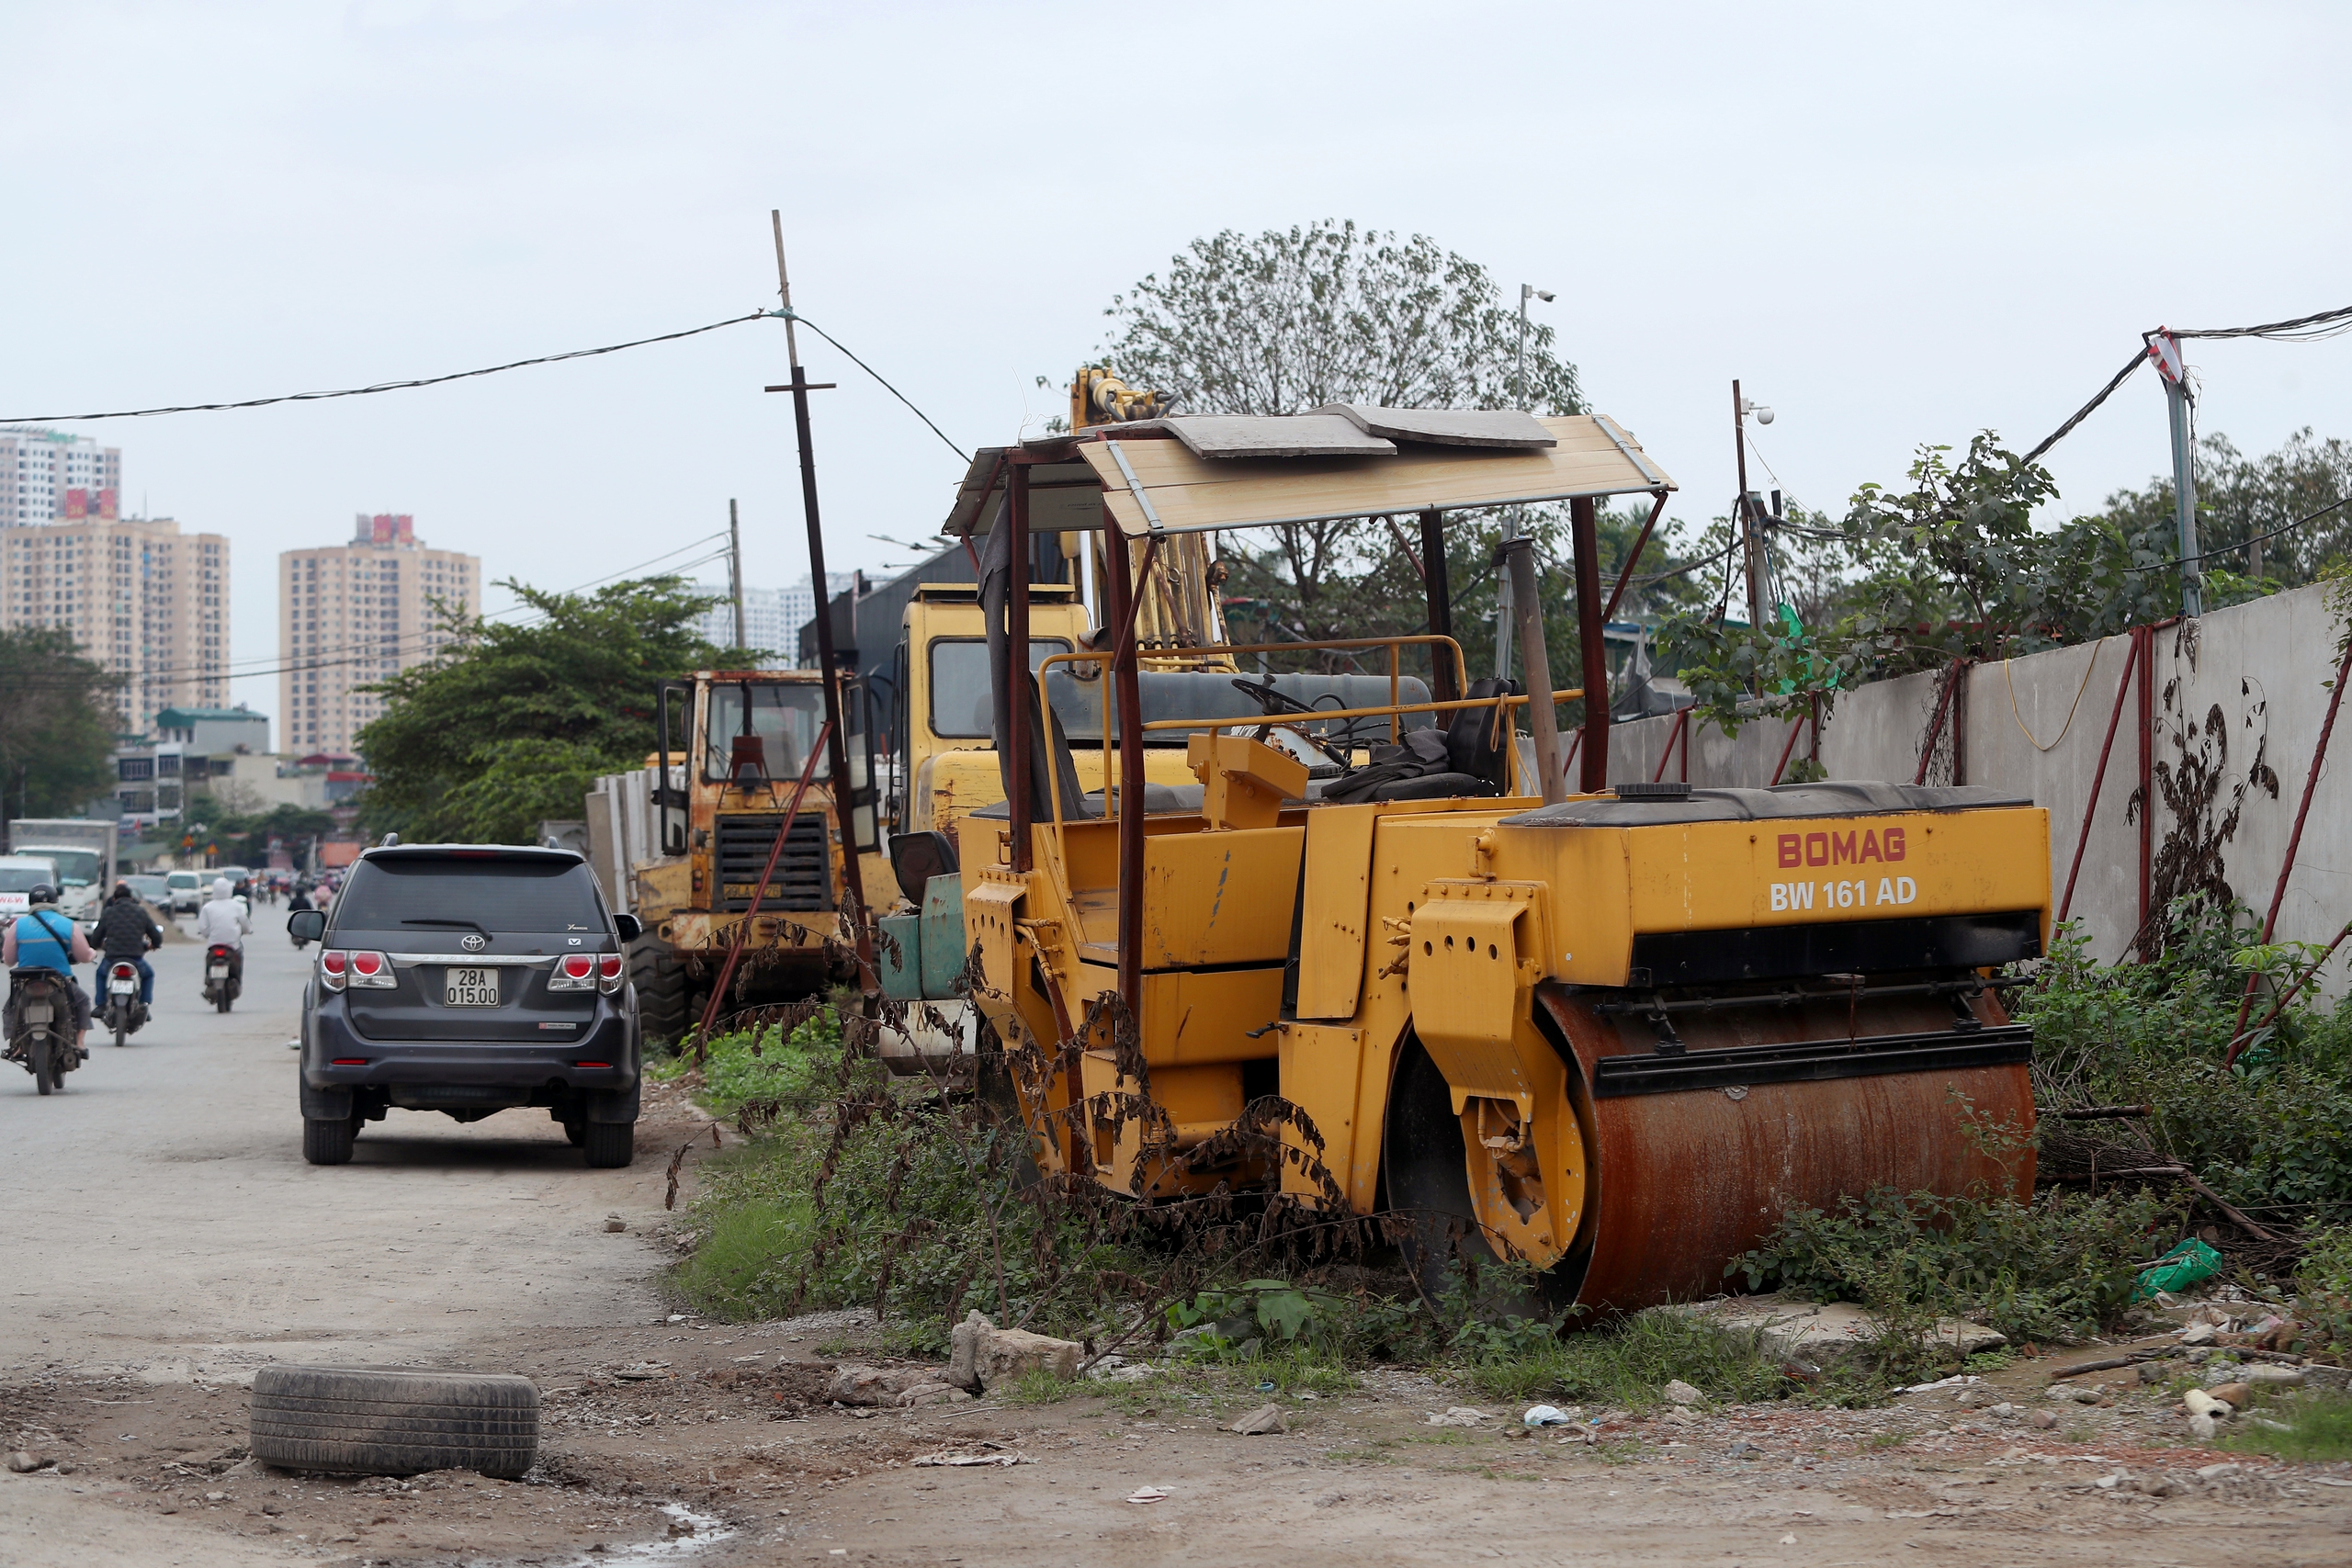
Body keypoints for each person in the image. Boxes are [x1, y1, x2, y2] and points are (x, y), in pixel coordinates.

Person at [4, 884, 94, 1058]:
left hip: (26, 982)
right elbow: (83, 956)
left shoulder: (17, 926)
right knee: (82, 1002)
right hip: (58, 981)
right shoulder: (69, 925)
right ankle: (79, 1042)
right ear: (55, 901)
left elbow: (8, 960)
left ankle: (16, 1044)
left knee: (11, 1008)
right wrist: (92, 954)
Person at [91, 880, 163, 1012]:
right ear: (131, 898)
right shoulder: (141, 912)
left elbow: (96, 937)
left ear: (114, 899)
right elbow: (156, 936)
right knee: (148, 975)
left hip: (112, 957)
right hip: (135, 957)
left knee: (101, 974)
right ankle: (144, 1004)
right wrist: (154, 945)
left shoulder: (108, 912)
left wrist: (98, 945)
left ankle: (101, 1005)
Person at [195, 876, 251, 991]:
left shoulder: (207, 907)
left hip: (214, 945)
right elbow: (245, 924)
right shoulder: (237, 906)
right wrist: (246, 931)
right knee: (240, 956)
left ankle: (208, 978)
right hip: (233, 946)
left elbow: (203, 928)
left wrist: (209, 935)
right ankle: (237, 980)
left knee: (208, 959)